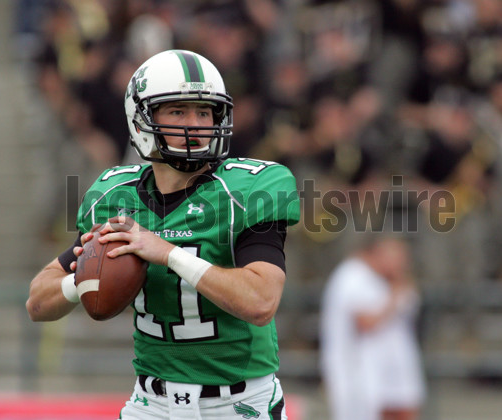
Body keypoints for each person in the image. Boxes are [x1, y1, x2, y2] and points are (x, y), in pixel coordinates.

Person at [26, 49, 300, 420]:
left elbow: (261, 301)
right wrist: (86, 279)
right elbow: (37, 304)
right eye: (178, 111)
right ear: (140, 120)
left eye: (204, 112)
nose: (196, 124)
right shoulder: (114, 196)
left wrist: (167, 252)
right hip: (150, 403)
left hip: (237, 404)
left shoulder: (250, 188)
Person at [320, 236, 425, 420]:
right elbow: (365, 322)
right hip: (356, 370)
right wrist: (394, 296)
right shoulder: (353, 276)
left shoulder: (382, 278)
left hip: (389, 367)